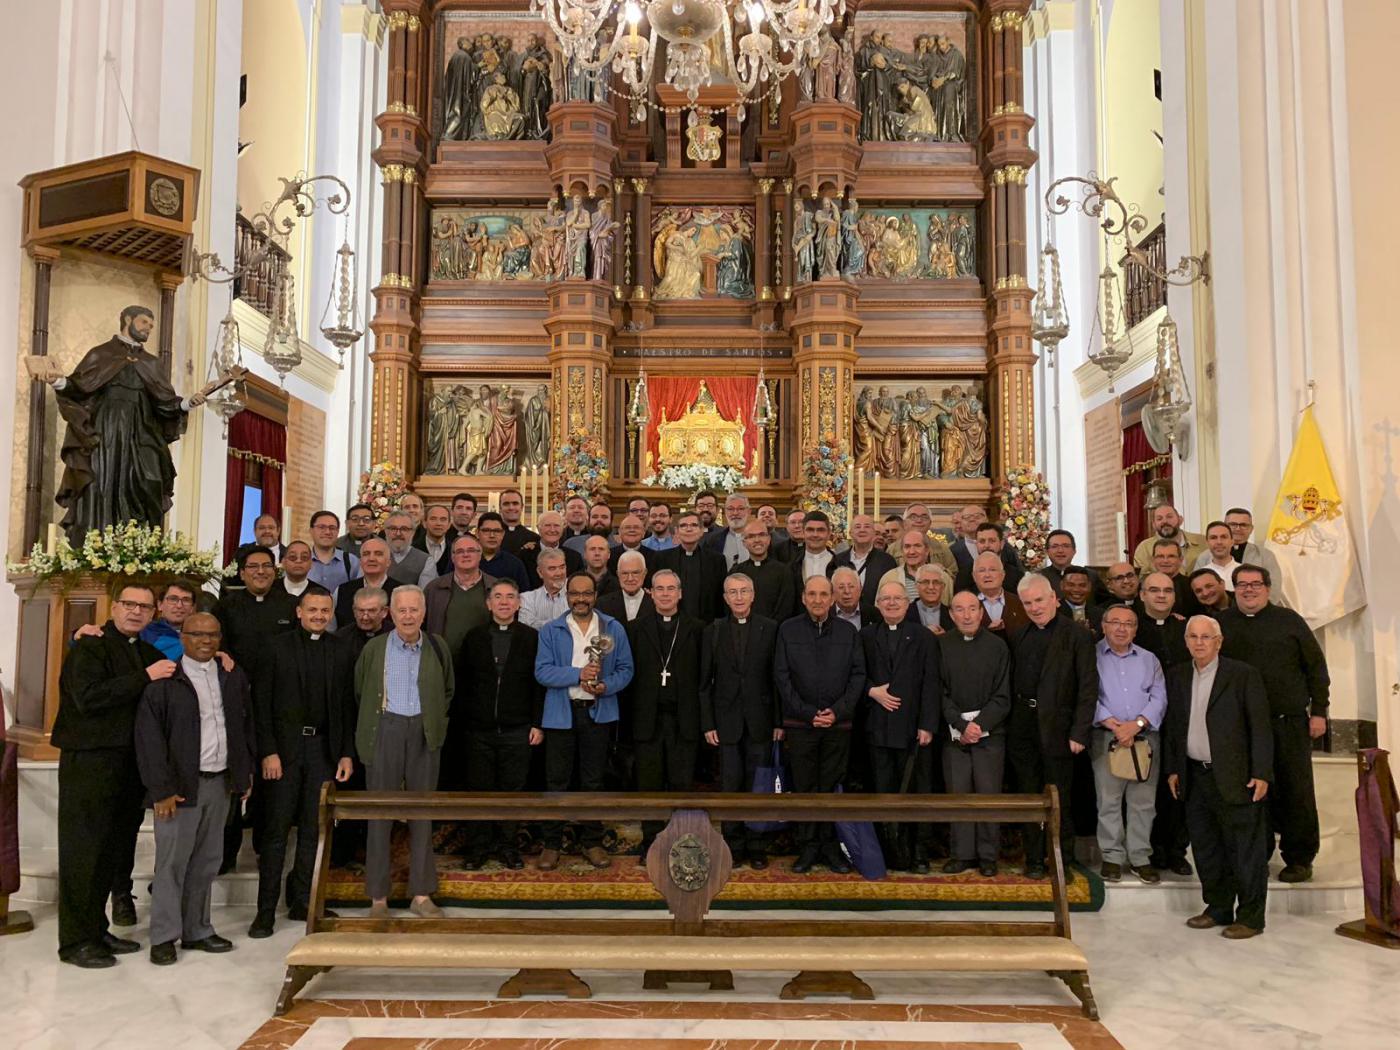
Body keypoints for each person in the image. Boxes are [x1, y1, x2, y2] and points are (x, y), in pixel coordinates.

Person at [54, 583, 167, 968]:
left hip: (128, 766)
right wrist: (145, 677)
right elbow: (88, 698)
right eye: (129, 604)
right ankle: (74, 941)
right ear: (114, 607)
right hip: (90, 761)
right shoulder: (90, 646)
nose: (136, 612)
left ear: (154, 613)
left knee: (111, 852)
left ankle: (96, 929)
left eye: (145, 606)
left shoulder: (147, 652)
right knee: (83, 852)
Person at [135, 613, 255, 965]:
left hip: (220, 783)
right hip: (180, 788)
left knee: (207, 861)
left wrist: (242, 774)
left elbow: (244, 725)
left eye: (213, 635)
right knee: (172, 864)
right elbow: (149, 741)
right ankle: (163, 936)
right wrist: (161, 790)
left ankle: (198, 929)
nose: (206, 640)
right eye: (198, 634)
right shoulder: (166, 681)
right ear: (183, 637)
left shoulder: (231, 675)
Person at [248, 590, 356, 937]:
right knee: (276, 832)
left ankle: (302, 902)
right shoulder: (275, 647)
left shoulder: (340, 649)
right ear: (299, 612)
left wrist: (345, 752)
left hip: (323, 750)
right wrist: (268, 751)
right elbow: (260, 703)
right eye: (312, 609)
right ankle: (265, 911)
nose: (319, 615)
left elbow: (345, 707)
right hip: (284, 751)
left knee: (314, 830)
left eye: (325, 610)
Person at [1218, 564, 1330, 883]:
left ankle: (1299, 857)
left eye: (1256, 584)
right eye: (1242, 585)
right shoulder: (1221, 624)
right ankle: (1257, 855)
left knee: (1296, 791)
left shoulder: (1289, 621)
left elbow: (1316, 668)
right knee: (1251, 792)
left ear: (1268, 588)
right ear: (1233, 589)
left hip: (1287, 722)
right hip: (1241, 728)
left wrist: (1319, 710)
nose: (1249, 590)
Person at [1164, 615, 1272, 938]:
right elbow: (1174, 728)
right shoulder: (1178, 676)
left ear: (1219, 641)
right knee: (1206, 847)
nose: (1199, 642)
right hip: (1195, 776)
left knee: (1245, 850)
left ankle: (1251, 917)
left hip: (1237, 776)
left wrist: (1262, 772)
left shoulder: (1242, 675)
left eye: (1206, 637)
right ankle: (1219, 907)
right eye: (1193, 637)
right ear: (1186, 642)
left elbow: (1261, 727)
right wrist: (1173, 768)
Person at [355, 586, 452, 919]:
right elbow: (361, 689)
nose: (408, 616)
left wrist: (433, 722)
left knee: (422, 814)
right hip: (384, 729)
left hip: (424, 733)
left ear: (423, 613)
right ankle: (378, 899)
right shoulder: (374, 648)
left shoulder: (438, 647)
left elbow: (448, 689)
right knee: (380, 814)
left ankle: (421, 895)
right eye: (402, 610)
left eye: (414, 610)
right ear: (390, 614)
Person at [534, 573, 634, 870]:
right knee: (556, 780)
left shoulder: (613, 628)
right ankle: (551, 844)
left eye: (586, 593)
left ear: (595, 595)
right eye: (574, 593)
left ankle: (592, 842)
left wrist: (606, 686)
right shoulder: (551, 630)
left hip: (597, 712)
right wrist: (578, 674)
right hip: (561, 714)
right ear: (567, 596)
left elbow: (627, 669)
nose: (580, 599)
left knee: (594, 780)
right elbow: (542, 671)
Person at [211, 545, 300, 870]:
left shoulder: (291, 606)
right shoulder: (227, 607)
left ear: (276, 570)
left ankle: (266, 845)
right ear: (242, 571)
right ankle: (226, 852)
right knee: (236, 777)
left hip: (280, 706)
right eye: (253, 566)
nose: (260, 571)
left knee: (272, 780)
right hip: (237, 704)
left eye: (266, 566)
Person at [1006, 574, 1097, 878]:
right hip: (1024, 728)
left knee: (1060, 799)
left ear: (1054, 599)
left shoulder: (1078, 636)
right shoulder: (1019, 635)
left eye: (1039, 600)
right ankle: (1033, 859)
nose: (1034, 607)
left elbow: (1087, 687)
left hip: (1060, 730)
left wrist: (1080, 731)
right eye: (1028, 603)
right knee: (1029, 797)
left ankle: (1062, 862)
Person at [775, 575, 866, 874]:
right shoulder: (788, 630)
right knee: (804, 787)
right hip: (801, 725)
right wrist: (807, 713)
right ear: (803, 598)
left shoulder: (847, 631)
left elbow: (857, 676)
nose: (817, 600)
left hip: (837, 726)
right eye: (811, 594)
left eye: (823, 594)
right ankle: (808, 846)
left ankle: (829, 845)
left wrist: (836, 712)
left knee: (830, 788)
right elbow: (782, 677)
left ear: (832, 598)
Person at [455, 580, 543, 870]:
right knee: (478, 791)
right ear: (488, 604)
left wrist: (537, 723)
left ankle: (507, 847)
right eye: (498, 597)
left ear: (518, 604)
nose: (504, 602)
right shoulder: (474, 637)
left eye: (510, 597)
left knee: (511, 793)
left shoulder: (532, 638)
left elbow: (538, 685)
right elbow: (463, 683)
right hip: (478, 731)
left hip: (518, 729)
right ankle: (478, 848)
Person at [700, 572, 780, 868]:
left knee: (758, 786)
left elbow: (776, 679)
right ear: (724, 598)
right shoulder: (714, 630)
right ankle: (733, 844)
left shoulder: (770, 629)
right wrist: (708, 723)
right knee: (731, 785)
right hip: (726, 721)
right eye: (732, 592)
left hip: (760, 720)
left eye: (744, 591)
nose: (738, 597)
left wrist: (778, 722)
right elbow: (704, 682)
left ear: (753, 594)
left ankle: (757, 845)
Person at [862, 581, 940, 872]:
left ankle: (918, 853)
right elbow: (856, 674)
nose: (892, 603)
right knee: (884, 792)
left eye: (897, 599)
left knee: (917, 794)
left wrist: (927, 725)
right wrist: (872, 691)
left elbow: (932, 683)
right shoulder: (866, 636)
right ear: (878, 604)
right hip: (878, 729)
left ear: (908, 605)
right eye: (886, 599)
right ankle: (889, 853)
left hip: (913, 730)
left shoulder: (923, 637)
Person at [626, 570, 704, 855]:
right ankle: (651, 842)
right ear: (651, 593)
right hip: (648, 719)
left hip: (684, 719)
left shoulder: (697, 628)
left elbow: (703, 677)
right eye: (660, 589)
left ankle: (681, 841)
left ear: (680, 593)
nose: (666, 594)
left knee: (682, 783)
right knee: (649, 784)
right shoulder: (636, 628)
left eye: (671, 589)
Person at [1091, 604, 1167, 884]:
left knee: (1143, 802)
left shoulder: (1149, 659)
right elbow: (1088, 695)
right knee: (1108, 800)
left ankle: (1139, 857)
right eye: (1115, 622)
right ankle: (1111, 857)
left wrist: (1136, 725)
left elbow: (1159, 697)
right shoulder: (1092, 656)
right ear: (1104, 625)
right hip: (1106, 736)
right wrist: (1114, 725)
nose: (1122, 628)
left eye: (1128, 624)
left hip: (1144, 738)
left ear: (1136, 629)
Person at [939, 590, 1011, 876]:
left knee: (988, 794)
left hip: (989, 734)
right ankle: (961, 854)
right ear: (951, 614)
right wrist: (960, 724)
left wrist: (979, 726)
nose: (967, 615)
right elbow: (938, 692)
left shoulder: (998, 647)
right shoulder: (941, 645)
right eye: (960, 609)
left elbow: (1003, 695)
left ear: (982, 614)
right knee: (958, 794)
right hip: (954, 735)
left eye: (972, 609)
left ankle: (988, 855)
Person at [1134, 571, 1192, 877]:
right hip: (1142, 722)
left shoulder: (1185, 629)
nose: (1160, 595)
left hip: (1179, 720)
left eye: (1167, 590)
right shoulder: (1130, 627)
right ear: (1141, 594)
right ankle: (1149, 849)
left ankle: (1176, 850)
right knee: (1145, 789)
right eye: (1153, 590)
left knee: (1178, 785)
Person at [424, 533, 496, 659]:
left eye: (471, 550)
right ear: (452, 557)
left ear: (480, 555)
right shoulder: (434, 588)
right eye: (460, 551)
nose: (466, 555)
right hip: (442, 661)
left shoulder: (496, 588)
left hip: (484, 662)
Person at [656, 510, 726, 622]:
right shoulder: (662, 558)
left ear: (702, 531)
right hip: (673, 624)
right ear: (677, 531)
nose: (689, 529)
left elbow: (720, 597)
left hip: (707, 624)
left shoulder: (717, 560)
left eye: (694, 525)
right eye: (683, 525)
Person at [828, 513, 898, 607]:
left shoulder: (887, 561)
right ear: (850, 533)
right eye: (857, 527)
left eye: (867, 526)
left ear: (873, 532)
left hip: (875, 617)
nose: (862, 530)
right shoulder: (838, 560)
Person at [733, 518, 795, 621]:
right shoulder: (736, 572)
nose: (757, 540)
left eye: (762, 535)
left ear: (769, 539)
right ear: (744, 542)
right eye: (751, 536)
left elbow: (786, 607)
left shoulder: (783, 571)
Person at [334, 537, 400, 628]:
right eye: (366, 554)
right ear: (360, 561)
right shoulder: (342, 590)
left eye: (378, 554)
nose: (371, 558)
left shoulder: (401, 592)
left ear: (388, 562)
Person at [1132, 503, 1205, 576]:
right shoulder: (1144, 548)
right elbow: (1142, 579)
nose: (1165, 521)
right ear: (1153, 525)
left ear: (1180, 520)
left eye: (1169, 517)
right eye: (1159, 518)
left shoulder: (1202, 541)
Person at [1042, 529, 1111, 605]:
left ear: (1074, 551)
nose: (1060, 550)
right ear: (1047, 552)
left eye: (1066, 546)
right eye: (1055, 546)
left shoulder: (1091, 576)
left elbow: (1107, 604)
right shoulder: (1039, 577)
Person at [140, 580, 199, 660]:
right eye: (173, 599)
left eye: (186, 600)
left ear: (192, 608)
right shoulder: (145, 633)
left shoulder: (202, 635)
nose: (179, 605)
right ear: (160, 605)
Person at [957, 522, 1024, 594]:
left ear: (1001, 544)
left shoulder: (1017, 576)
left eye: (992, 541)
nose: (986, 545)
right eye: (982, 541)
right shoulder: (963, 576)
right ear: (976, 545)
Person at [974, 551, 1028, 637]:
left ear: (1003, 575)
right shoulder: (967, 606)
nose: (987, 575)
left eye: (992, 570)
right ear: (974, 576)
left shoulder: (1020, 603)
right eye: (982, 570)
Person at [523, 510, 584, 586]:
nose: (552, 530)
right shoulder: (524, 556)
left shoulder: (575, 558)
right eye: (547, 525)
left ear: (562, 528)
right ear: (538, 528)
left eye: (556, 525)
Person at [475, 511, 531, 591]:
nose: (492, 535)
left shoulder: (515, 564)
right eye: (486, 530)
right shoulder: (465, 560)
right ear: (477, 533)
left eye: (497, 531)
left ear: (503, 534)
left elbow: (524, 597)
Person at [307, 510, 361, 592]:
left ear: (338, 532)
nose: (327, 532)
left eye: (332, 528)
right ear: (311, 531)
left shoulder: (351, 561)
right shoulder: (302, 561)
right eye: (321, 527)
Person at [597, 549, 654, 622]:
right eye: (625, 573)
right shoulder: (602, 604)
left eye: (635, 573)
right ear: (618, 574)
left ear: (645, 573)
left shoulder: (656, 603)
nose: (630, 578)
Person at [521, 548, 572, 628]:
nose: (559, 573)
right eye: (552, 568)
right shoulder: (527, 598)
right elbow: (526, 629)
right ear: (540, 572)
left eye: (562, 567)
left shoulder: (578, 593)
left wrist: (540, 624)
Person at [383, 510, 435, 588]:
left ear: (413, 532)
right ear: (385, 531)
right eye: (393, 528)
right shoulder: (373, 555)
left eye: (404, 529)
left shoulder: (426, 561)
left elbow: (425, 595)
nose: (398, 533)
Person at [790, 510, 836, 594]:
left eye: (821, 530)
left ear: (829, 533)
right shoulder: (791, 566)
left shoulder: (840, 564)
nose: (815, 535)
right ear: (803, 532)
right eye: (810, 530)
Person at [1150, 538, 1199, 616]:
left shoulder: (1192, 586)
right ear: (1153, 560)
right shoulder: (1143, 586)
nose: (1165, 561)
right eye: (1160, 556)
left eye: (1171, 556)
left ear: (1181, 559)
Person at [704, 493, 753, 568]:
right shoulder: (712, 541)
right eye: (730, 509)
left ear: (749, 511)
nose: (735, 513)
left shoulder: (759, 539)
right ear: (725, 512)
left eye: (741, 509)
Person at [904, 563, 954, 634]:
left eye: (936, 582)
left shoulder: (953, 615)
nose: (931, 587)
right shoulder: (904, 614)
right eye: (925, 582)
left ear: (943, 587)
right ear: (916, 586)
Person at [1057, 567, 1102, 637]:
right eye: (1071, 585)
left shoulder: (1101, 615)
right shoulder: (1053, 613)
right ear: (1062, 585)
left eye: (1082, 585)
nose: (1076, 590)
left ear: (1090, 586)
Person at [1196, 521, 1241, 590]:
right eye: (1213, 537)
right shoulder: (1200, 575)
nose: (1219, 542)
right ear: (1207, 543)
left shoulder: (1244, 571)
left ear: (1232, 541)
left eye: (1224, 537)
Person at [414, 503, 455, 578]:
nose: (438, 523)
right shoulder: (412, 550)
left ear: (449, 525)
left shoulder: (455, 550)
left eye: (443, 519)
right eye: (433, 519)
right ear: (424, 523)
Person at [608, 514, 654, 579]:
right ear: (620, 532)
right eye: (627, 527)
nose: (632, 530)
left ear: (643, 533)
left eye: (636, 527)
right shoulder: (609, 556)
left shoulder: (654, 557)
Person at [499, 488, 541, 557]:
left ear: (522, 507)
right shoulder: (491, 537)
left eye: (515, 503)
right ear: (500, 508)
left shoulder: (534, 538)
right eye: (506, 504)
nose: (511, 508)